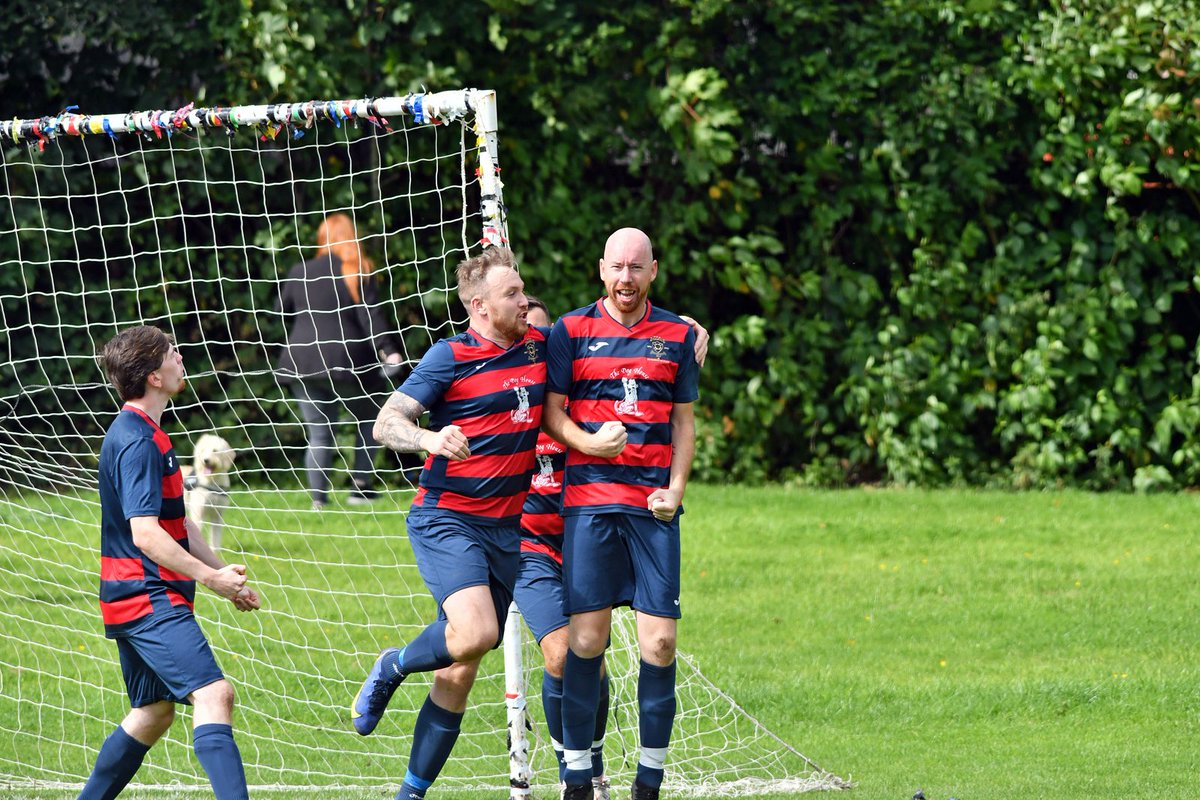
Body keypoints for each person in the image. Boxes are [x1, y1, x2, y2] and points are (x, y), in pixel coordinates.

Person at [351, 246, 546, 800]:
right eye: (513, 294)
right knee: (479, 634)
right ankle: (393, 665)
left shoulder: (538, 345)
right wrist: (429, 437)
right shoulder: (449, 355)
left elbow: (603, 335)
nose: (524, 299)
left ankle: (409, 794)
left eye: (523, 289)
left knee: (460, 667)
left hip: (505, 529)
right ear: (480, 306)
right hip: (448, 519)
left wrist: (685, 331)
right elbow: (387, 423)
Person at [542, 228, 700, 800]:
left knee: (659, 645)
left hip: (653, 510)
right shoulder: (570, 331)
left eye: (637, 267)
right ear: (601, 269)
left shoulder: (679, 335)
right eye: (617, 267)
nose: (626, 278)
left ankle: (649, 783)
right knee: (586, 641)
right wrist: (587, 443)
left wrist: (676, 489)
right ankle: (578, 775)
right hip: (589, 505)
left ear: (653, 270)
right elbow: (552, 416)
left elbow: (683, 423)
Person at [80, 325, 262, 800]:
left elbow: (179, 523)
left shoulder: (149, 433)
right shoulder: (138, 440)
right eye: (171, 353)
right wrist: (208, 578)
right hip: (146, 596)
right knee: (215, 693)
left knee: (154, 712)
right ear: (153, 375)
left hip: (135, 596)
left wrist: (224, 574)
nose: (181, 356)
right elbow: (145, 534)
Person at [516, 296, 611, 800]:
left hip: (584, 537)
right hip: (527, 547)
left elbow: (634, 334)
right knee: (558, 655)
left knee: (590, 658)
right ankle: (570, 773)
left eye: (543, 339)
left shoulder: (579, 398)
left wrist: (691, 327)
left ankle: (594, 768)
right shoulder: (502, 401)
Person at [277, 212, 404, 509]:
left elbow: (282, 312)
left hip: (303, 361)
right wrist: (389, 351)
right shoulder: (357, 269)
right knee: (369, 417)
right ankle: (360, 488)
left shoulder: (299, 271)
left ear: (322, 239)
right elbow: (371, 316)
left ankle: (318, 501)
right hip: (349, 361)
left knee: (319, 433)